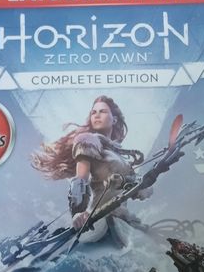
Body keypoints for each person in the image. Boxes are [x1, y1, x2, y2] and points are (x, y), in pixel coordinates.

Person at [31, 96, 150, 246]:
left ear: (114, 119)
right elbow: (81, 179)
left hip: (123, 221)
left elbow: (136, 189)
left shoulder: (119, 155)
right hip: (98, 221)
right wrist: (78, 212)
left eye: (103, 111)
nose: (97, 115)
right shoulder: (88, 139)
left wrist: (144, 187)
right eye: (93, 112)